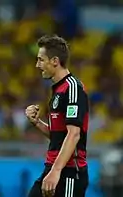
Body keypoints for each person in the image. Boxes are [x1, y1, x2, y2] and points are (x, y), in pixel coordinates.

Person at [25, 35, 89, 197]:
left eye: (41, 60)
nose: (37, 65)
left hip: (69, 172)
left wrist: (56, 171)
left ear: (54, 61)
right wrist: (37, 123)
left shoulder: (73, 88)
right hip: (54, 167)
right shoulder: (57, 90)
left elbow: (74, 135)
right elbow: (58, 136)